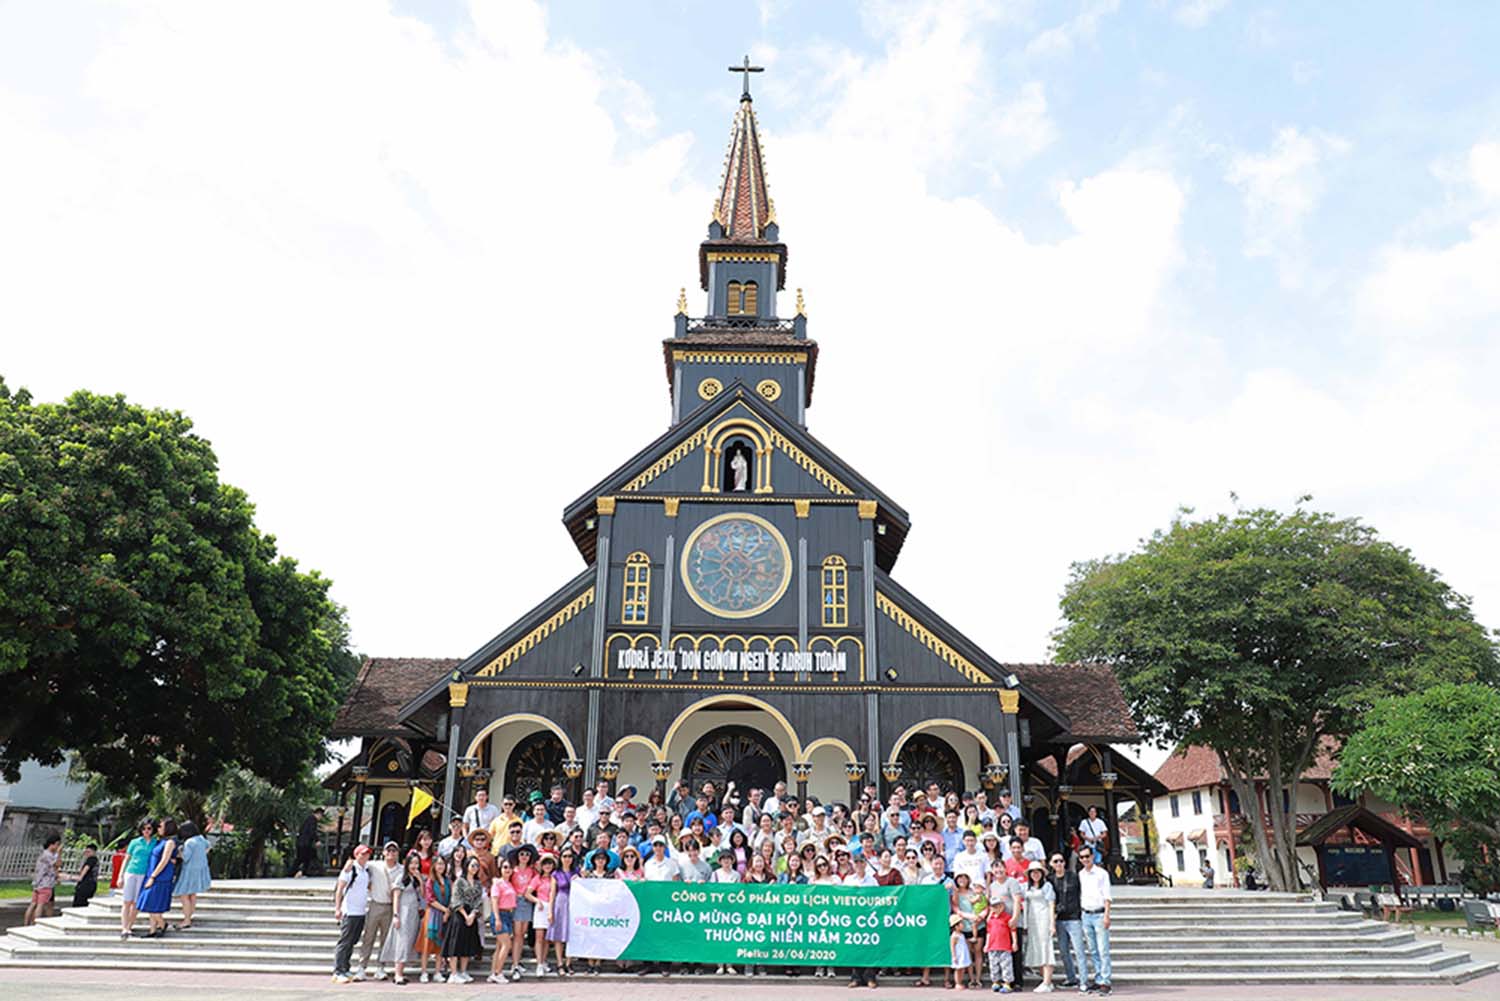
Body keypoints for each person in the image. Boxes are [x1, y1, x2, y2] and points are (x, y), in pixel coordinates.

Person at [356, 840, 398, 979]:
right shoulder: (375, 866)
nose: (391, 853)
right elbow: (359, 864)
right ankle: (362, 966)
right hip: (376, 904)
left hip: (390, 906)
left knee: (385, 939)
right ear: (384, 852)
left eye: (394, 851)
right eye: (389, 850)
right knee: (369, 936)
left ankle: (381, 967)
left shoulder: (401, 869)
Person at [332, 843, 371, 984]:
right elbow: (340, 889)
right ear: (356, 855)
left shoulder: (366, 870)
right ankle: (338, 970)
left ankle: (345, 967)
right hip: (349, 910)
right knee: (345, 941)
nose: (365, 856)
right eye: (362, 854)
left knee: (352, 941)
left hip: (361, 911)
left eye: (367, 854)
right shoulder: (350, 870)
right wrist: (337, 908)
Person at [382, 851, 424, 985]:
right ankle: (397, 974)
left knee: (409, 942)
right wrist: (396, 915)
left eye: (416, 863)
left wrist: (420, 880)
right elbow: (396, 897)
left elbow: (423, 895)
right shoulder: (401, 877)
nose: (414, 866)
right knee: (402, 941)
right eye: (412, 863)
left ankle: (401, 971)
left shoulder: (416, 878)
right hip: (403, 912)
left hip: (414, 913)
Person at [1048, 852, 1088, 990]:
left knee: (1079, 950)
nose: (1059, 864)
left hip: (1074, 918)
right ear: (1051, 864)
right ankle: (1071, 978)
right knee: (1064, 951)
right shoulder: (1050, 879)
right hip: (1059, 919)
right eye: (1055, 861)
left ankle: (1083, 981)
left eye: (1061, 861)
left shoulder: (1073, 876)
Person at [442, 855, 485, 983]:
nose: (475, 868)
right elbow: (456, 899)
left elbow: (479, 901)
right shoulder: (460, 881)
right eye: (472, 865)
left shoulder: (478, 883)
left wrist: (473, 914)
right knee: (456, 944)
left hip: (472, 914)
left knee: (468, 943)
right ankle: (453, 973)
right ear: (467, 866)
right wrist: (466, 915)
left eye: (477, 866)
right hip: (459, 914)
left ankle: (463, 971)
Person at [1076, 848, 1112, 995]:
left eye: (1087, 856)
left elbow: (1107, 896)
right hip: (1086, 914)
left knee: (1103, 949)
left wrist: (1107, 915)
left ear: (1092, 856)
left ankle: (1106, 981)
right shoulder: (1080, 874)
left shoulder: (1102, 873)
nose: (1085, 859)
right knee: (1093, 949)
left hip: (1099, 913)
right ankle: (1098, 978)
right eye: (1082, 857)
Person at [135, 819, 178, 939]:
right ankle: (152, 929)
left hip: (160, 877)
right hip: (152, 874)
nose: (158, 828)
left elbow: (164, 860)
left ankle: (162, 924)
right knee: (150, 904)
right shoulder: (160, 841)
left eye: (160, 826)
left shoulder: (169, 842)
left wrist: (153, 876)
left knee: (151, 903)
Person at [1022, 861, 1056, 992]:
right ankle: (1046, 980)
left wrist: (1052, 924)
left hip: (1044, 919)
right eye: (1033, 872)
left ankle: (1047, 983)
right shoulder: (1026, 887)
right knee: (1037, 949)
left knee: (1046, 948)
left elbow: (1051, 904)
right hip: (1032, 920)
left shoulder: (1047, 886)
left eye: (1038, 871)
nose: (1035, 874)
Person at [118, 819, 156, 939]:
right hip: (131, 872)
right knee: (127, 901)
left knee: (136, 902)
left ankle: (130, 925)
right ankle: (124, 928)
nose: (146, 831)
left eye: (149, 828)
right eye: (144, 828)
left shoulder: (155, 842)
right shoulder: (135, 842)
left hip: (144, 874)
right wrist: (121, 875)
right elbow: (127, 859)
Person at [419, 852, 452, 983]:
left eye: (442, 864)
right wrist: (445, 910)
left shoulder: (448, 881)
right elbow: (430, 899)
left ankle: (438, 971)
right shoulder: (430, 881)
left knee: (440, 944)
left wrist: (447, 911)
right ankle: (424, 971)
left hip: (444, 914)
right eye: (438, 864)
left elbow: (451, 897)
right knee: (427, 944)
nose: (441, 866)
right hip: (433, 913)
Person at [172, 821, 212, 930]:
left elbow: (186, 857)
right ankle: (190, 916)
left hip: (189, 870)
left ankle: (186, 920)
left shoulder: (189, 842)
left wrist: (180, 851)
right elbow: (209, 847)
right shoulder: (201, 839)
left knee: (184, 895)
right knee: (192, 895)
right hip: (200, 869)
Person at [525, 854, 558, 978]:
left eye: (550, 863)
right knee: (539, 937)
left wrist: (550, 910)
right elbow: (527, 893)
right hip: (540, 907)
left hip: (550, 906)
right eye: (545, 863)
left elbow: (553, 895)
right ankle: (539, 963)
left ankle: (543, 961)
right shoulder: (537, 878)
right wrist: (537, 901)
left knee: (547, 938)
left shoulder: (554, 878)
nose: (547, 866)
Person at [985, 876, 1019, 993]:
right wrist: (986, 944)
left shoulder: (1007, 918)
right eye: (994, 906)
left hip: (1005, 946)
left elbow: (1013, 930)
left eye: (999, 906)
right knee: (994, 966)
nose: (996, 908)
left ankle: (1007, 983)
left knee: (1006, 966)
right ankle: (996, 982)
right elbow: (988, 933)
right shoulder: (990, 919)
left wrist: (1014, 943)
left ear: (1003, 906)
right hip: (993, 946)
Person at [508, 844, 538, 978]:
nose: (524, 857)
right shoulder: (512, 870)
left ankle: (517, 961)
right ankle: (514, 964)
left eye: (527, 854)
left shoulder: (532, 871)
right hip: (516, 901)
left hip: (528, 901)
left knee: (522, 934)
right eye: (522, 854)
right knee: (517, 934)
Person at [24, 832, 62, 927]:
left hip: (38, 882)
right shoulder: (48, 855)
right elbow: (57, 865)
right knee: (40, 905)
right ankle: (35, 924)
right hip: (46, 883)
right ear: (52, 844)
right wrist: (59, 853)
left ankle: (26, 924)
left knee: (33, 904)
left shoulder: (44, 854)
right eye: (57, 844)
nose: (58, 847)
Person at [549, 848, 577, 975]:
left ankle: (568, 962)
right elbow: (552, 893)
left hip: (574, 903)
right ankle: (560, 963)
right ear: (560, 858)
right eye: (565, 856)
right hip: (560, 902)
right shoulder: (556, 873)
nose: (567, 859)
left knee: (572, 934)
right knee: (559, 934)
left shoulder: (576, 872)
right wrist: (550, 910)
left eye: (570, 856)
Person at [294, 807, 324, 876]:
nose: (321, 818)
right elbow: (312, 831)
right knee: (302, 858)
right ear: (318, 814)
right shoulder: (313, 820)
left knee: (305, 858)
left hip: (302, 842)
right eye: (321, 816)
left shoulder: (308, 819)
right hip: (305, 843)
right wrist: (317, 840)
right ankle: (296, 872)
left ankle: (302, 872)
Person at [71, 845, 99, 910]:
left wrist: (80, 877)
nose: (86, 853)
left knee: (80, 902)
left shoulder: (92, 859)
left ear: (93, 852)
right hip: (91, 884)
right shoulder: (94, 860)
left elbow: (86, 868)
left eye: (89, 852)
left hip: (87, 884)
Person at [949, 913, 973, 990]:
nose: (963, 925)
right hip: (958, 955)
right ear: (956, 926)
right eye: (961, 924)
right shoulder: (954, 936)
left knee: (962, 969)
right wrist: (954, 956)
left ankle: (960, 981)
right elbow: (952, 946)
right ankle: (957, 983)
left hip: (963, 954)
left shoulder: (961, 934)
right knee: (958, 969)